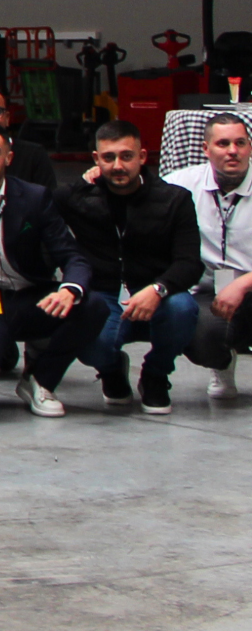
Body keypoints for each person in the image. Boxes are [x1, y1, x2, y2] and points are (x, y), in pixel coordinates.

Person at [0, 125, 100, 413]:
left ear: (9, 157)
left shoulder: (35, 198)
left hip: (30, 295)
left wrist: (69, 289)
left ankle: (39, 380)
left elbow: (71, 255)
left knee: (93, 306)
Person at [62, 119, 203, 414]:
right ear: (96, 160)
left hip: (156, 292)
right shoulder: (77, 197)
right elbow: (27, 200)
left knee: (183, 308)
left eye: (126, 156)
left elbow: (190, 264)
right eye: (109, 157)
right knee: (81, 328)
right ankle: (111, 369)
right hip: (105, 295)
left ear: (142, 157)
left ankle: (155, 374)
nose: (117, 165)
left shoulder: (174, 200)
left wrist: (158, 289)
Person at [177, 116, 252, 399]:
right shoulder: (181, 184)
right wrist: (96, 177)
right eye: (223, 143)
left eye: (240, 143)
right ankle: (222, 364)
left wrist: (243, 284)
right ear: (206, 149)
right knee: (202, 337)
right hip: (208, 293)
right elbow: (135, 188)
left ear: (250, 147)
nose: (232, 150)